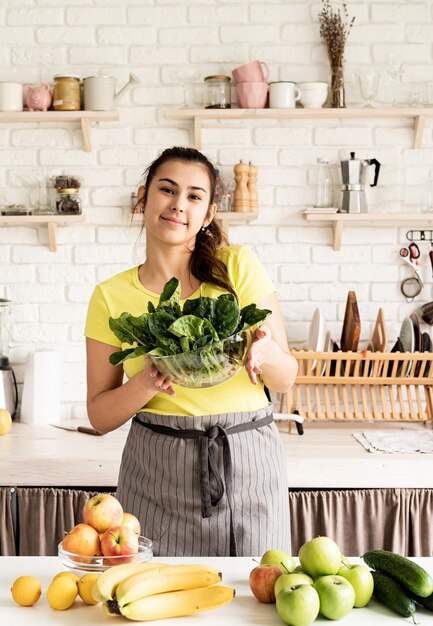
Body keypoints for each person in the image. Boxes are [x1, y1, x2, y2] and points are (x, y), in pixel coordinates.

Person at [85, 146, 298, 557]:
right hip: (156, 466)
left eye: (194, 196)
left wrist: (266, 354)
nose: (178, 204)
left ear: (208, 214)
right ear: (142, 198)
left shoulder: (237, 267)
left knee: (256, 602)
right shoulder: (109, 297)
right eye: (167, 190)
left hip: (246, 459)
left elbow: (285, 377)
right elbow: (99, 416)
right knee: (153, 605)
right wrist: (147, 381)